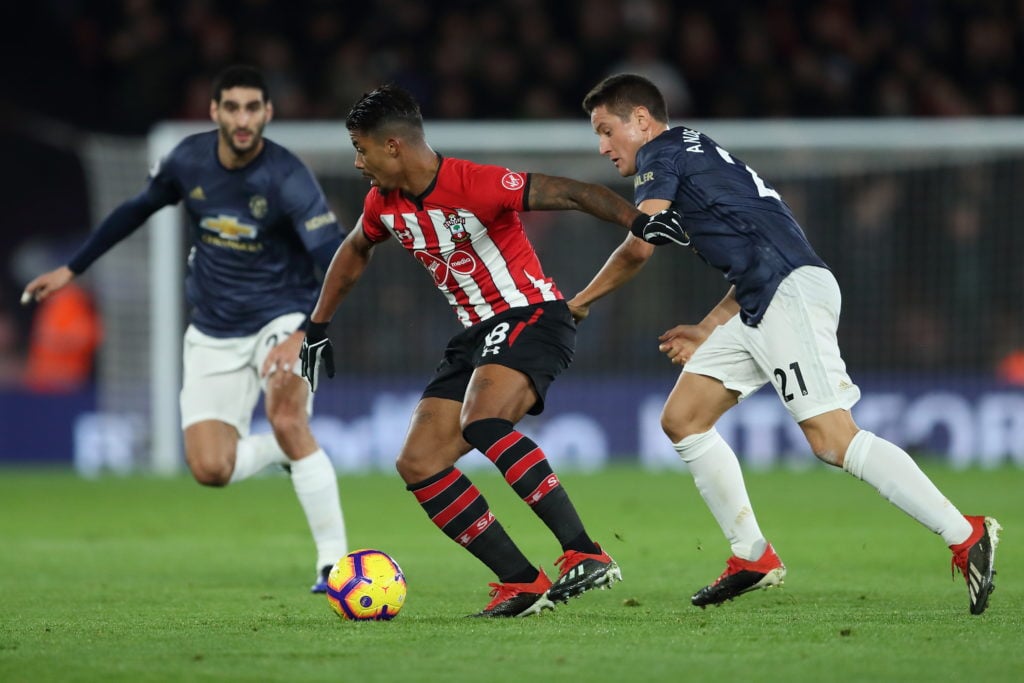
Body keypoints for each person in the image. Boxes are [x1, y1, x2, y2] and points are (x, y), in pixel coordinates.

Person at [571, 73, 1001, 615]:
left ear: (641, 119)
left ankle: (966, 535)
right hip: (762, 295)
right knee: (684, 419)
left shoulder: (664, 152)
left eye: (607, 131)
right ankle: (752, 556)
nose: (604, 146)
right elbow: (754, 249)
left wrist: (578, 302)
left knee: (832, 439)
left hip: (787, 294)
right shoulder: (696, 154)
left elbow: (641, 243)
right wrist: (707, 327)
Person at [301, 85, 664, 617]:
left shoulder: (475, 183)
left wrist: (639, 221)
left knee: (484, 420)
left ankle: (585, 553)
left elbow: (571, 192)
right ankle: (521, 583)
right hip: (474, 335)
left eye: (363, 149)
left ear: (394, 146)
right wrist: (318, 324)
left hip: (532, 315)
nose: (359, 162)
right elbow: (355, 249)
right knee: (419, 463)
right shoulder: (383, 203)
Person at [21, 65, 349, 593]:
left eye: (252, 108)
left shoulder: (288, 176)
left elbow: (335, 260)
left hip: (284, 316)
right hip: (214, 329)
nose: (243, 119)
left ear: (267, 113)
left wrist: (306, 330)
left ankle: (334, 565)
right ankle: (291, 452)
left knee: (286, 415)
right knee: (211, 469)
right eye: (232, 107)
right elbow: (135, 209)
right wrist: (72, 268)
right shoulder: (188, 161)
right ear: (215, 111)